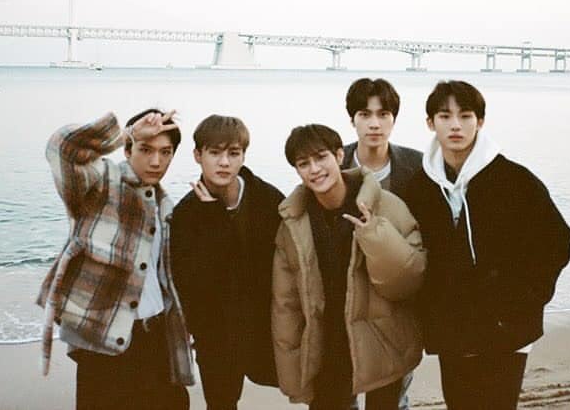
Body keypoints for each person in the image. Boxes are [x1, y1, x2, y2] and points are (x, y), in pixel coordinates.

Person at [405, 81, 570, 410]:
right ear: (430, 123)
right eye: (445, 116)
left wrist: (524, 301)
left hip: (506, 329)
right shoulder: (421, 187)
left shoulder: (514, 179)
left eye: (465, 116)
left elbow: (556, 241)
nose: (455, 125)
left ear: (480, 122)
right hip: (453, 329)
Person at [37, 108, 193, 410]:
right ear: (128, 150)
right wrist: (128, 133)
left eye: (165, 152)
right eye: (145, 149)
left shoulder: (166, 207)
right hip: (104, 342)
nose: (156, 161)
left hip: (156, 337)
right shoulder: (99, 187)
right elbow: (61, 147)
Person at [272, 124, 426, 410]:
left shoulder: (385, 205)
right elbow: (286, 303)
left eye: (321, 157)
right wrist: (291, 366)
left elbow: (410, 278)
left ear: (340, 155)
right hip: (327, 344)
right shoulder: (293, 222)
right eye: (304, 163)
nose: (315, 169)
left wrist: (375, 235)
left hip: (384, 339)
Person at [171, 115, 283, 410]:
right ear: (198, 155)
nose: (224, 162)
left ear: (243, 156)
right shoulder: (185, 215)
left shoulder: (267, 200)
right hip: (216, 334)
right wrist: (214, 221)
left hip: (266, 327)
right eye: (214, 153)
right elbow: (192, 284)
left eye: (233, 153)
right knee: (221, 404)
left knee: (313, 387)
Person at [341, 77, 422, 410]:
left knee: (391, 398)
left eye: (383, 114)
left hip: (396, 303)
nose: (374, 124)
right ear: (353, 119)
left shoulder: (417, 167)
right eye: (365, 114)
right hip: (344, 300)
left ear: (393, 119)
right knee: (339, 394)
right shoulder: (333, 164)